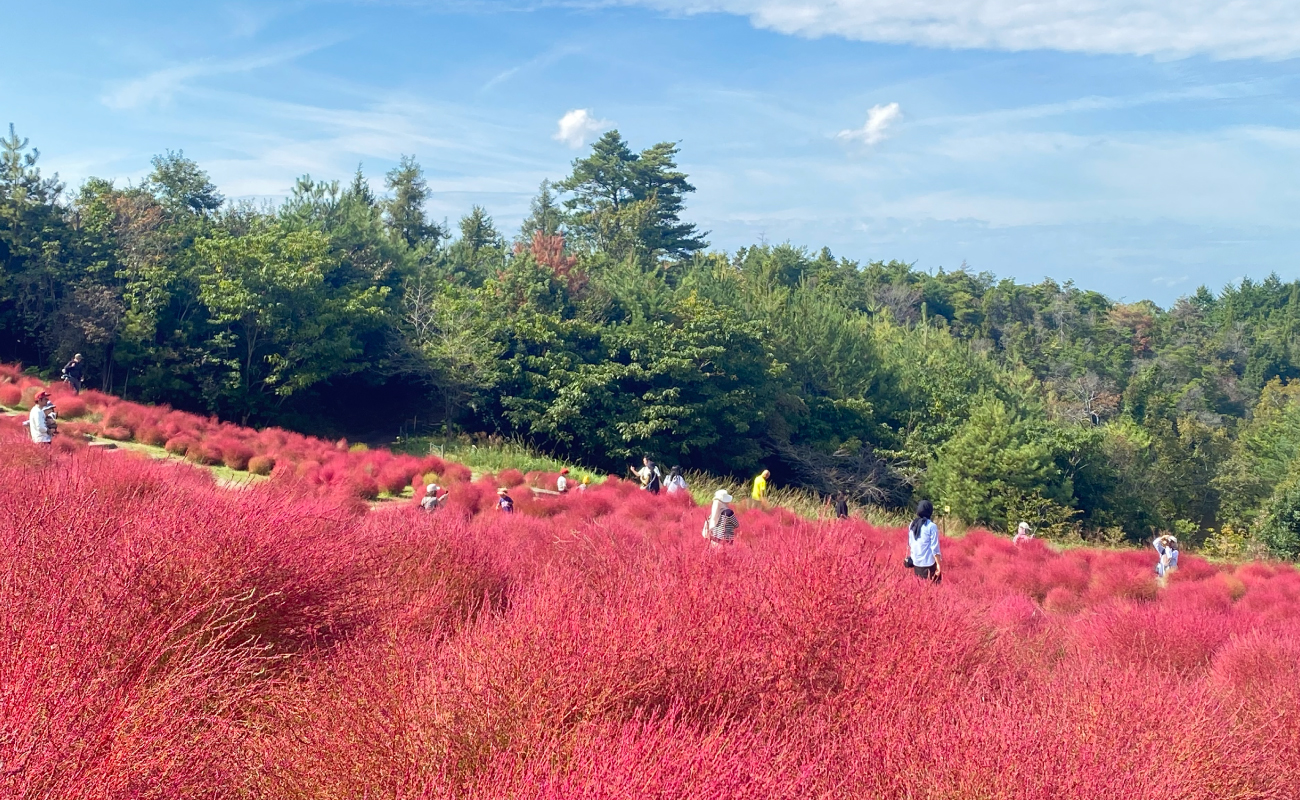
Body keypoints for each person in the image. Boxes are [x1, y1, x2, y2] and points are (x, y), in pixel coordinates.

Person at [906, 500, 942, 583]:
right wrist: (939, 565)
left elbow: (910, 543)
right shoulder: (931, 526)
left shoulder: (912, 524)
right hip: (929, 564)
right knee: (934, 589)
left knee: (920, 590)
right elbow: (935, 549)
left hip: (916, 563)